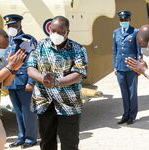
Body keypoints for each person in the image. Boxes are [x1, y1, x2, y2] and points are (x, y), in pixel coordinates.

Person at [27, 16, 88, 150]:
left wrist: (56, 82)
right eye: (53, 30)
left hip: (68, 103)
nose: (56, 34)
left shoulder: (77, 49)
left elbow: (78, 74)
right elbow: (31, 68)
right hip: (44, 101)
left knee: (69, 142)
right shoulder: (40, 45)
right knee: (47, 140)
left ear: (67, 31)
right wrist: (43, 78)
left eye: (60, 32)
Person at [3, 14, 38, 149]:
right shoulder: (8, 41)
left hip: (24, 82)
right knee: (17, 112)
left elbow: (34, 63)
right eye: (9, 26)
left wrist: (31, 82)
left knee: (28, 113)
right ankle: (21, 136)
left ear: (20, 24)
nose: (11, 28)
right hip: (12, 82)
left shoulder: (27, 40)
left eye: (14, 25)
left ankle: (30, 139)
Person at [113, 10, 142, 125]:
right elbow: (115, 51)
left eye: (126, 20)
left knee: (132, 92)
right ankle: (125, 115)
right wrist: (115, 66)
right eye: (122, 20)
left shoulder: (135, 32)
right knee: (124, 92)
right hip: (120, 67)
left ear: (130, 20)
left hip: (131, 67)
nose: (123, 22)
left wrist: (138, 67)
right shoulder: (116, 32)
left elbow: (139, 51)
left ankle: (132, 116)